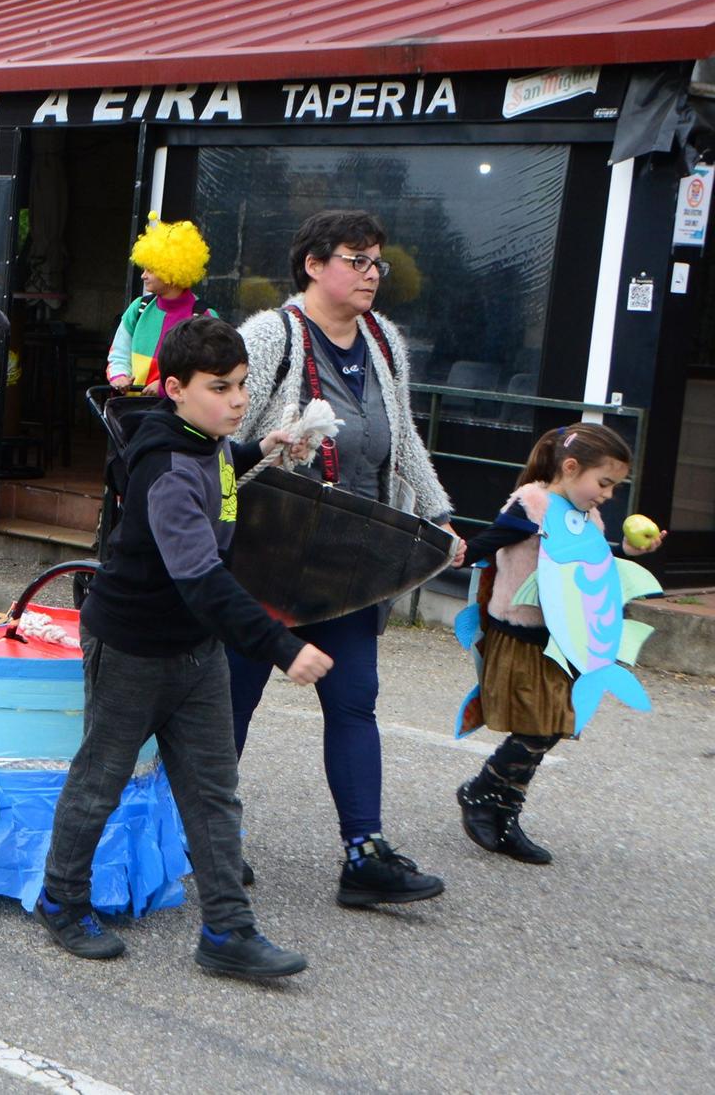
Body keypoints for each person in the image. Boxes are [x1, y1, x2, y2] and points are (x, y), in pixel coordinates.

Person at [39, 316, 324, 979]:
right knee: (99, 782)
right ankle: (62, 897)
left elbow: (220, 471)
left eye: (243, 386)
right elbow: (203, 582)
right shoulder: (165, 467)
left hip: (195, 651)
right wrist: (283, 648)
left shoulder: (210, 437)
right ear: (174, 388)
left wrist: (262, 450)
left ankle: (226, 930)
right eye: (220, 387)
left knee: (214, 792)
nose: (237, 400)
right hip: (135, 647)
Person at [232, 208, 458, 908]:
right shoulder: (270, 335)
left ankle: (364, 853)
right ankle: (201, 831)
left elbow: (404, 437)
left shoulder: (385, 340)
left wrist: (438, 513)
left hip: (352, 559)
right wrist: (277, 439)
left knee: (355, 699)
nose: (371, 275)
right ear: (313, 264)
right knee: (231, 702)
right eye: (356, 260)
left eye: (376, 262)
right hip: (264, 554)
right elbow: (218, 434)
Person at [454, 424, 660, 866]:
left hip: (565, 640)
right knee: (537, 726)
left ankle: (503, 809)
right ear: (570, 467)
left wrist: (624, 547)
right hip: (522, 636)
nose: (607, 494)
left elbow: (587, 559)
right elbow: (489, 543)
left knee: (554, 726)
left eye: (614, 486)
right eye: (603, 483)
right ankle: (485, 793)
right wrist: (450, 552)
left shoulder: (586, 516)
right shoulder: (533, 505)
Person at [108, 220, 215, 391]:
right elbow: (119, 353)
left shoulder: (204, 316)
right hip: (130, 408)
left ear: (170, 270)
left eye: (150, 269)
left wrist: (165, 386)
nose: (143, 276)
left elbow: (209, 369)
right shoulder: (139, 308)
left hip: (177, 411)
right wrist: (119, 376)